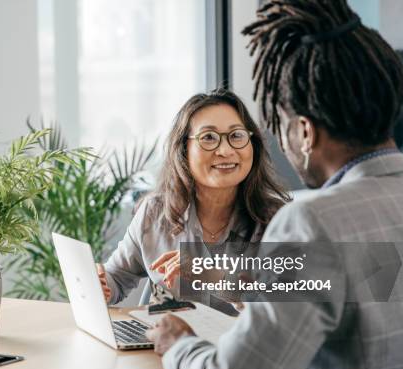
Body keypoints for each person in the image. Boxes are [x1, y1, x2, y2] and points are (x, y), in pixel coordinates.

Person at [146, 0, 403, 369]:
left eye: (278, 127)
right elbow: (375, 288)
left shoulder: (312, 222)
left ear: (304, 131)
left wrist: (179, 344)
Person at [97, 89, 289, 306]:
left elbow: (285, 307)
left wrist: (213, 277)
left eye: (236, 135)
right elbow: (117, 278)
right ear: (183, 150)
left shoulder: (281, 220)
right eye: (208, 137)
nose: (225, 150)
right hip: (164, 338)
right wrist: (102, 286)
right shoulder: (155, 211)